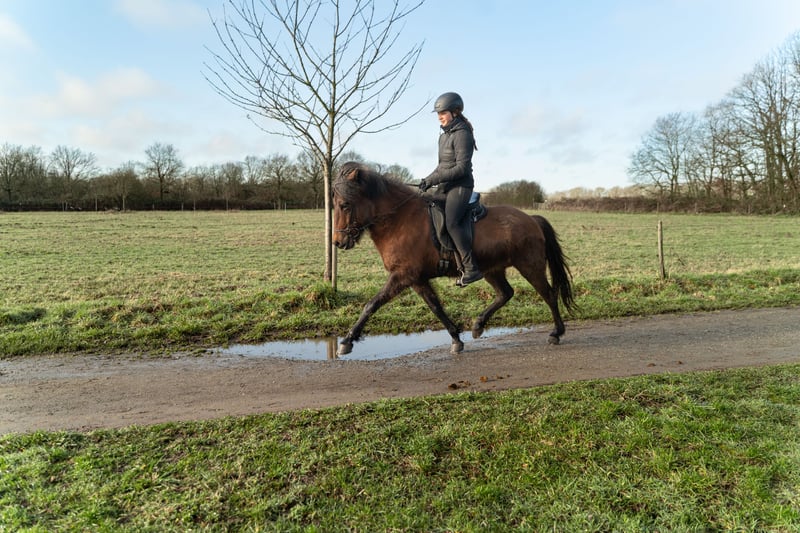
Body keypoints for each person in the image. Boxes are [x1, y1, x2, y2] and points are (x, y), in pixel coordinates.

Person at [418, 91, 483, 286]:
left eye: (443, 113)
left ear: (455, 112)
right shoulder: (443, 137)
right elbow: (441, 167)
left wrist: (436, 179)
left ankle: (471, 268)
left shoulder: (463, 134)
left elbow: (462, 168)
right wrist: (427, 180)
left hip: (461, 186)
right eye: (438, 114)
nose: (440, 117)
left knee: (452, 222)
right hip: (445, 185)